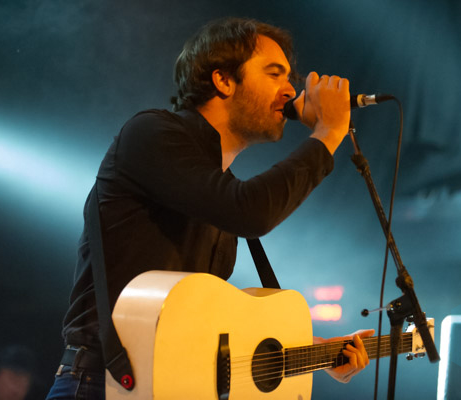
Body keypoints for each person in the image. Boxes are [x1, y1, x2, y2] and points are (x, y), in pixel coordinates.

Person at [46, 17, 373, 399]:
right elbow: (250, 213)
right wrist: (328, 133)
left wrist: (315, 351)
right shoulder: (150, 134)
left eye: (289, 78)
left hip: (167, 386)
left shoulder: (220, 189)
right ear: (223, 80)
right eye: (274, 74)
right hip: (101, 384)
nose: (290, 90)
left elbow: (206, 323)